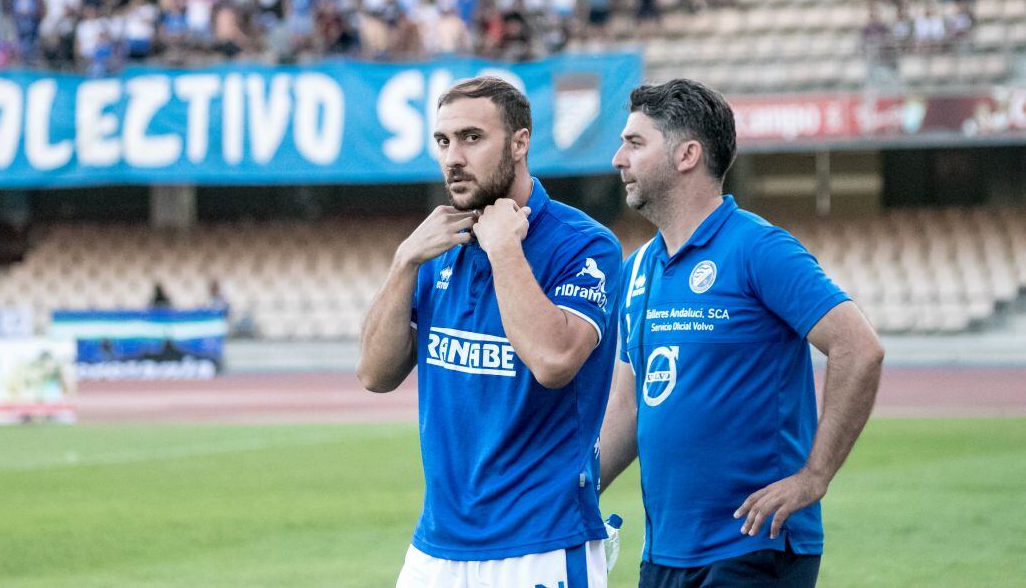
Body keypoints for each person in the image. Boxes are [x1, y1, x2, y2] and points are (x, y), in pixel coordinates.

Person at [599, 79, 885, 588]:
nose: (619, 157)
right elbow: (628, 406)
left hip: (754, 545)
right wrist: (574, 492)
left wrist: (813, 477)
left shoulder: (759, 248)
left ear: (687, 155)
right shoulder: (638, 266)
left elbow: (858, 348)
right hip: (664, 550)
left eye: (635, 143)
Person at [356, 76, 623, 588]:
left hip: (542, 543)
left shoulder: (583, 245)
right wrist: (404, 260)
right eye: (443, 141)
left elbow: (553, 360)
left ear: (520, 143)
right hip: (436, 547)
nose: (453, 156)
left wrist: (504, 248)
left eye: (472, 138)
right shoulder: (437, 245)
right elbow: (374, 373)